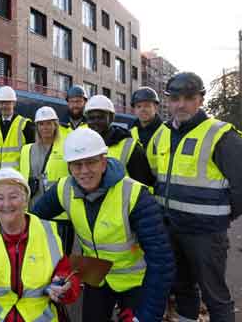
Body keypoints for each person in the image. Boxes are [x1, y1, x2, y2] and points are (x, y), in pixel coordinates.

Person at [147, 72, 242, 322]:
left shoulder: (221, 134)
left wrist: (219, 215)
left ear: (201, 99)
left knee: (215, 296)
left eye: (189, 98)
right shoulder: (162, 134)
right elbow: (157, 177)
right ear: (168, 101)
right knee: (183, 290)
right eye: (175, 98)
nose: (181, 104)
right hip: (171, 229)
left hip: (206, 235)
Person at [32, 128, 174, 322]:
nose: (84, 171)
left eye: (91, 162)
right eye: (76, 165)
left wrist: (147, 317)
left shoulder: (134, 196)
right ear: (69, 167)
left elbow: (162, 262)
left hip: (135, 283)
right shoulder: (63, 188)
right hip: (97, 279)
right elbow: (30, 222)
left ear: (103, 162)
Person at [0, 168, 80, 321]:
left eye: (13, 196)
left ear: (26, 199)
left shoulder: (48, 232)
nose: (7, 204)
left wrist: (62, 288)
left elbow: (66, 275)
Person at [19, 106, 75, 255]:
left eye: (49, 123)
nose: (45, 127)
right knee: (39, 254)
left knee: (61, 255)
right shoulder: (27, 150)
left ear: (55, 125)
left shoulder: (66, 148)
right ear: (36, 127)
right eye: (42, 124)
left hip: (60, 213)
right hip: (35, 210)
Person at [85, 94, 155, 187]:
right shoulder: (84, 145)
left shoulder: (130, 147)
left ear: (111, 118)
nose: (95, 122)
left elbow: (145, 186)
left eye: (100, 117)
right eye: (91, 118)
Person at [0, 86, 35, 175]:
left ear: (14, 103)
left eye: (7, 103)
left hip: (16, 178)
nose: (4, 106)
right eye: (1, 103)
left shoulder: (26, 125)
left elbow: (32, 155)